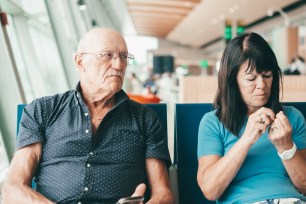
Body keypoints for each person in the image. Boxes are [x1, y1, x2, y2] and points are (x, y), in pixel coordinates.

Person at [2, 28, 174, 204]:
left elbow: (164, 194)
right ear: (80, 62)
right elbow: (12, 188)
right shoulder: (42, 111)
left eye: (123, 57)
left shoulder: (145, 118)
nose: (118, 65)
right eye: (107, 55)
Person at [197, 32, 306, 203]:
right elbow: (210, 190)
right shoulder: (213, 122)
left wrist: (286, 147)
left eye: (267, 75)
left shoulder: (292, 117)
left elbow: (304, 186)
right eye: (251, 78)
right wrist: (247, 138)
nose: (261, 85)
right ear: (233, 81)